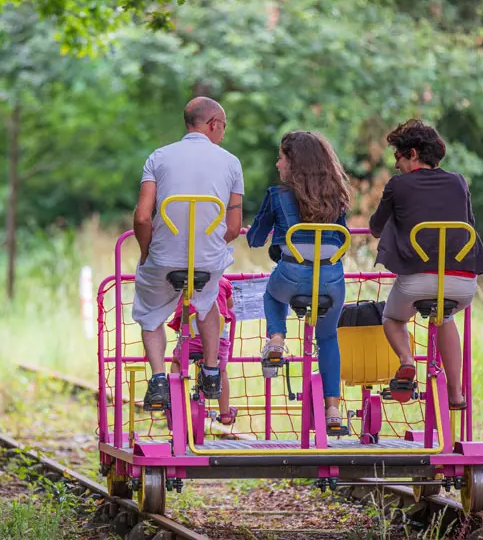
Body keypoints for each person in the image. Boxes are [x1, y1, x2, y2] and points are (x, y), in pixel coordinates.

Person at [369, 119, 483, 410]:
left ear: (412, 153)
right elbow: (468, 224)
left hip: (418, 278)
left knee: (393, 318)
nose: (396, 165)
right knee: (445, 316)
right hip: (463, 281)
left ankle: (407, 360)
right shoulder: (459, 181)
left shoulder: (398, 185)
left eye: (397, 156)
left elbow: (375, 227)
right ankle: (456, 394)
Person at [133, 97, 244, 411]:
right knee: (208, 300)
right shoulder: (231, 162)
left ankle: (157, 378)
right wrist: (208, 245)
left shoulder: (158, 157)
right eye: (223, 126)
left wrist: (146, 253)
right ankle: (210, 370)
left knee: (151, 312)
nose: (223, 133)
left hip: (163, 258)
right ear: (213, 124)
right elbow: (234, 227)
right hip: (207, 260)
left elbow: (142, 218)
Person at [245, 131, 351, 431]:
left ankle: (277, 339)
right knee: (328, 338)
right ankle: (333, 410)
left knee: (272, 295)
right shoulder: (337, 197)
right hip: (331, 278)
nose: (278, 164)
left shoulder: (276, 195)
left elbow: (254, 239)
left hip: (291, 274)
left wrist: (256, 230)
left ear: (293, 162)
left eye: (281, 158)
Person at [166, 276, 237, 425]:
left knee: (177, 361)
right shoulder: (223, 282)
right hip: (218, 340)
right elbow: (230, 304)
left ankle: (178, 402)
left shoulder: (186, 281)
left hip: (192, 338)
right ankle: (225, 414)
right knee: (221, 370)